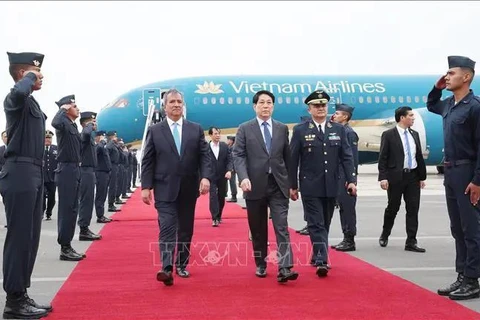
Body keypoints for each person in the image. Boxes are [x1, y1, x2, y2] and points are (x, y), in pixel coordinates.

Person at [141, 88, 212, 286]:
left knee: (185, 230)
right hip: (164, 188)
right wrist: (145, 186)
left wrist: (205, 177)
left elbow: (204, 156)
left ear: (183, 105)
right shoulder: (155, 131)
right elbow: (148, 160)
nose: (176, 105)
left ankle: (181, 264)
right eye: (172, 102)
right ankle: (166, 268)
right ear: (164, 107)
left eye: (179, 102)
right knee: (167, 227)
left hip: (189, 188)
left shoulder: (195, 129)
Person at [0, 51, 51, 319]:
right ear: (24, 74)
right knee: (19, 237)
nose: (42, 76)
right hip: (19, 171)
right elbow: (17, 94)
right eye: (36, 72)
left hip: (32, 171)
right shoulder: (15, 99)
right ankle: (14, 302)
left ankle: (21, 293)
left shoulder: (30, 103)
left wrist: (30, 78)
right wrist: (29, 77)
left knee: (29, 239)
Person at [427, 55, 480, 300]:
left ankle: (473, 279)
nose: (447, 77)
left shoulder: (475, 107)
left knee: (472, 228)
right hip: (450, 172)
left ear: (466, 77)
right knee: (457, 228)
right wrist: (436, 88)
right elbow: (430, 104)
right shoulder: (448, 105)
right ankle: (462, 275)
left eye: (451, 73)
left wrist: (477, 181)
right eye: (446, 73)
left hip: (468, 172)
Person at [233, 90, 299, 283]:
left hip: (278, 184)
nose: (265, 106)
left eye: (269, 102)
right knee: (258, 228)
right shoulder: (245, 128)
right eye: (261, 102)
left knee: (281, 226)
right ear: (255, 106)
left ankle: (285, 267)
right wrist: (243, 177)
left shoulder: (281, 128)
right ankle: (261, 263)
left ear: (273, 106)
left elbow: (287, 157)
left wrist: (292, 184)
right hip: (253, 185)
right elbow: (238, 155)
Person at [289, 90, 357, 276]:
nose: (320, 109)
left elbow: (347, 157)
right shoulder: (301, 130)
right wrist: (292, 185)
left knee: (325, 222)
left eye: (323, 105)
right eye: (316, 106)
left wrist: (351, 180)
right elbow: (293, 159)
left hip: (332, 184)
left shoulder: (338, 129)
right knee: (315, 222)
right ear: (309, 109)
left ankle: (317, 252)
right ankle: (322, 260)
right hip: (310, 185)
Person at [377, 106, 427, 253]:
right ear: (402, 118)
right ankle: (385, 234)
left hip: (413, 176)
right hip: (396, 177)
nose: (413, 118)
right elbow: (383, 158)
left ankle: (411, 241)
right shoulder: (389, 135)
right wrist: (383, 177)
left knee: (413, 208)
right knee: (393, 207)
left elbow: (418, 156)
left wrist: (421, 177)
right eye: (410, 115)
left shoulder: (414, 134)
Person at [51, 94, 86, 261]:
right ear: (66, 108)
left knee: (73, 209)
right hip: (66, 170)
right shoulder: (63, 122)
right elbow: (55, 123)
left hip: (74, 169)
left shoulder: (72, 126)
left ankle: (68, 245)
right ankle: (64, 247)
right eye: (74, 106)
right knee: (66, 209)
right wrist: (61, 109)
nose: (78, 108)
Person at [331, 104, 359, 252]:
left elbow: (352, 159)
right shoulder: (339, 131)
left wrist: (351, 180)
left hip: (346, 178)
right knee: (342, 208)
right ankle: (346, 238)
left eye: (337, 113)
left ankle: (350, 240)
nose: (333, 116)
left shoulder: (349, 133)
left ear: (345, 116)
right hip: (339, 176)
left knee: (348, 209)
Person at [77, 111, 102, 241]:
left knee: (88, 200)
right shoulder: (85, 135)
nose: (95, 124)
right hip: (85, 170)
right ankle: (83, 229)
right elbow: (86, 133)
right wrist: (88, 126)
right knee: (86, 201)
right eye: (93, 122)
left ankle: (85, 228)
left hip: (90, 170)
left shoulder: (90, 137)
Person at [207, 126, 233, 226]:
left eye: (219, 133)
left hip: (223, 175)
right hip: (211, 175)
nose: (218, 135)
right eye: (215, 134)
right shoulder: (206, 148)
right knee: (213, 196)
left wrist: (229, 170)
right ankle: (214, 217)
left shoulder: (224, 146)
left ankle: (219, 215)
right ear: (210, 135)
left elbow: (229, 160)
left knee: (221, 196)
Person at [94, 131, 113, 223]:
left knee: (104, 194)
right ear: (97, 137)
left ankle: (101, 214)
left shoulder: (103, 146)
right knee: (100, 194)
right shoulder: (97, 145)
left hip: (105, 173)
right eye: (102, 137)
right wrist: (101, 142)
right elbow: (97, 150)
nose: (104, 138)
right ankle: (99, 215)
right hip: (100, 173)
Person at [43, 130, 58, 220]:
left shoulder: (56, 148)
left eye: (49, 138)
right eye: (46, 138)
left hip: (52, 177)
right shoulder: (39, 148)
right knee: (42, 195)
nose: (48, 140)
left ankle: (49, 212)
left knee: (52, 197)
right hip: (43, 177)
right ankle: (41, 210)